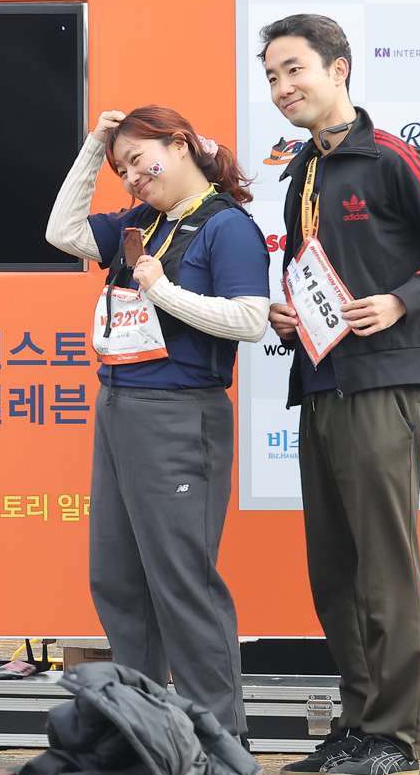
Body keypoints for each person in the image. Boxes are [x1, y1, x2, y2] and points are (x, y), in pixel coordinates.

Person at [260, 13, 420, 775]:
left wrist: (401, 300)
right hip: (319, 382)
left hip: (381, 382)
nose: (283, 88)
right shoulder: (303, 171)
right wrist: (290, 314)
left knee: (384, 567)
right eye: (271, 77)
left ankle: (395, 736)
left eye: (295, 70)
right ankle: (357, 729)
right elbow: (316, 264)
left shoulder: (390, 156)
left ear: (339, 69)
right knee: (336, 570)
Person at [44, 106, 270, 739]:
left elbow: (250, 321)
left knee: (180, 582)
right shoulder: (142, 223)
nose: (134, 179)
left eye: (142, 161)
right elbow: (63, 231)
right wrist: (96, 146)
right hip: (119, 407)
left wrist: (161, 289)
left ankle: (220, 741)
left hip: (179, 415)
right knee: (117, 578)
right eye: (123, 171)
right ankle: (146, 738)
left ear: (182, 145)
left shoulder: (227, 226)